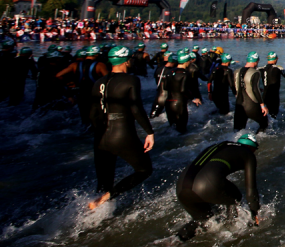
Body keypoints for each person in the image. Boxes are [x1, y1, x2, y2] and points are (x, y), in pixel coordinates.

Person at [87, 46, 155, 211]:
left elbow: (93, 114)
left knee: (104, 181)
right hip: (122, 133)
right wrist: (149, 132)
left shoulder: (98, 82)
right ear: (126, 61)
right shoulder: (131, 80)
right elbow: (136, 108)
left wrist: (100, 133)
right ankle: (106, 197)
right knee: (144, 170)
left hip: (101, 136)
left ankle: (95, 214)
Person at [175, 133, 260, 241]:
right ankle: (233, 229)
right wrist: (255, 214)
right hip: (206, 184)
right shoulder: (248, 154)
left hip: (182, 186)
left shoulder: (220, 145)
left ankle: (174, 242)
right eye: (254, 150)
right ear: (249, 147)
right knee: (236, 196)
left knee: (202, 220)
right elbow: (251, 191)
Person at [57, 45, 108, 130]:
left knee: (84, 117)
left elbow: (59, 75)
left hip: (81, 94)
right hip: (95, 94)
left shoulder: (75, 65)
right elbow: (109, 79)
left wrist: (69, 83)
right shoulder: (100, 65)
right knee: (98, 116)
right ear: (96, 54)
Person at [163, 51, 203, 133]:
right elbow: (183, 90)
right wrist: (193, 98)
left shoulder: (169, 72)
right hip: (179, 103)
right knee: (182, 130)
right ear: (187, 62)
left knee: (172, 129)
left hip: (168, 102)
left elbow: (165, 87)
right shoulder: (185, 73)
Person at [234, 52, 269, 133]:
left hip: (239, 105)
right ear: (256, 61)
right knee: (264, 124)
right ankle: (256, 140)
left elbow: (237, 87)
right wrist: (262, 105)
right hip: (251, 106)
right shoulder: (255, 72)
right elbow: (254, 89)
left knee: (237, 131)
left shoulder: (237, 71)